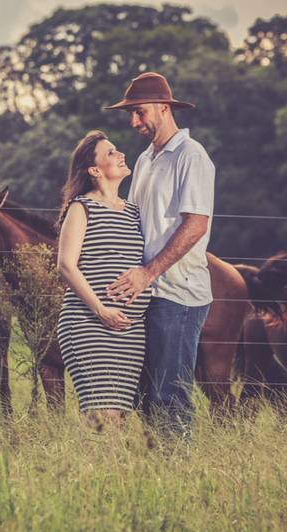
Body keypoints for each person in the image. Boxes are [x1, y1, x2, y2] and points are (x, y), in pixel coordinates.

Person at [104, 72, 215, 439]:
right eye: (131, 115)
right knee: (144, 396)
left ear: (164, 108)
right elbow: (132, 220)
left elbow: (196, 224)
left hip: (178, 296)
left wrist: (147, 273)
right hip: (146, 293)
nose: (134, 122)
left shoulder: (191, 156)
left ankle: (179, 474)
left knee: (170, 393)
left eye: (140, 112)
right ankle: (156, 472)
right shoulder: (145, 160)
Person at [55, 130, 152, 428]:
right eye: (111, 153)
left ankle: (110, 474)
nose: (121, 154)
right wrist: (102, 310)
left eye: (117, 149)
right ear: (95, 170)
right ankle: (98, 472)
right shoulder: (82, 207)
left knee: (118, 417)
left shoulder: (134, 212)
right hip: (90, 325)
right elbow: (66, 266)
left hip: (130, 334)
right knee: (102, 415)